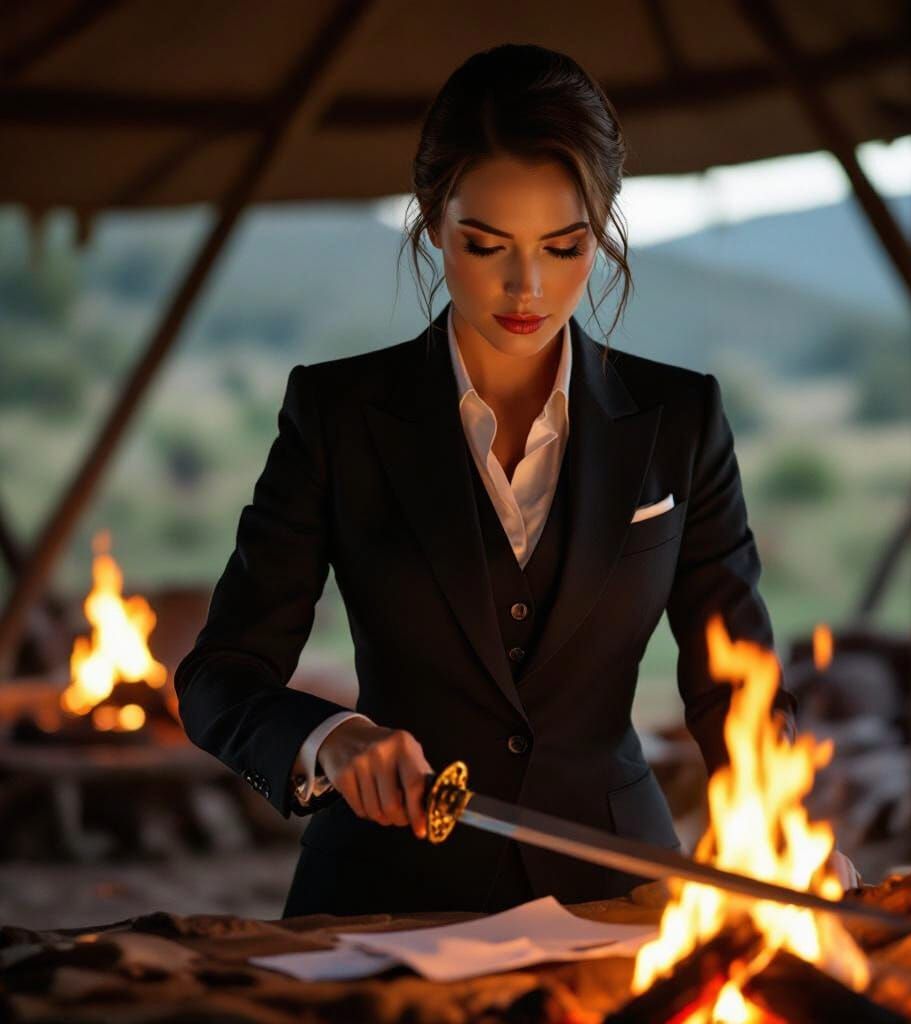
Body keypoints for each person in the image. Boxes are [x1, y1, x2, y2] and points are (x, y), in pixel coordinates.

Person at [174, 43, 856, 919]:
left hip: (621, 891)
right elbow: (218, 675)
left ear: (602, 228)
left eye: (565, 246)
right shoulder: (337, 414)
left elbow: (735, 684)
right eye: (485, 244)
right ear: (430, 222)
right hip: (382, 895)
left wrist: (779, 826)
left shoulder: (680, 419)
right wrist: (330, 738)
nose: (526, 287)